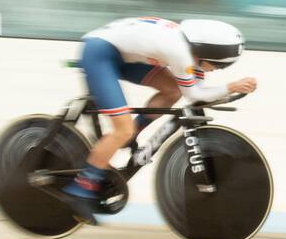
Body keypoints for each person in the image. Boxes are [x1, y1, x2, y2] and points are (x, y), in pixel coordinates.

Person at [60, 17, 258, 225]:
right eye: (217, 66)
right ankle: (80, 189)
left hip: (121, 53)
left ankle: (132, 133)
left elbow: (192, 89)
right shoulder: (180, 52)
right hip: (100, 53)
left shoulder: (190, 48)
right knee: (122, 130)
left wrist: (227, 90)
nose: (215, 70)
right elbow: (194, 94)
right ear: (206, 52)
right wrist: (232, 87)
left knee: (171, 91)